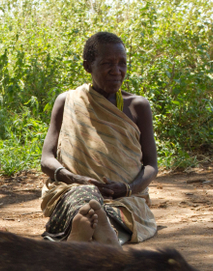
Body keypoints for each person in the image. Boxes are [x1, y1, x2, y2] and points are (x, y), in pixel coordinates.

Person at [40, 32, 159, 247]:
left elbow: (151, 165)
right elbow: (47, 159)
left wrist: (128, 188)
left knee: (106, 212)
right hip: (73, 189)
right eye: (107, 63)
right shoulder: (67, 101)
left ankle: (89, 232)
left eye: (122, 63)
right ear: (88, 66)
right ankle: (97, 231)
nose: (117, 71)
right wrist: (75, 179)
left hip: (125, 198)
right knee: (86, 201)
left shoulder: (138, 106)